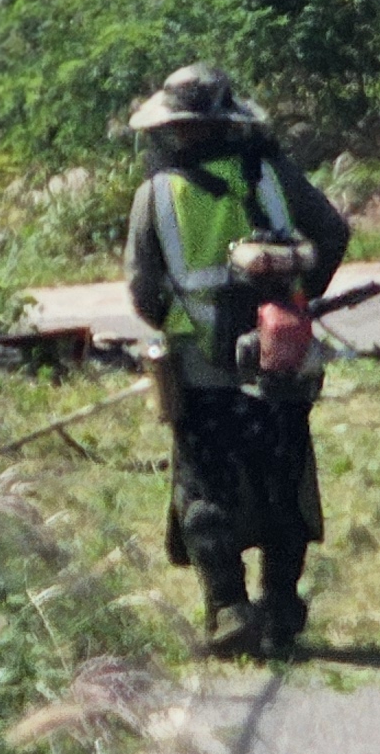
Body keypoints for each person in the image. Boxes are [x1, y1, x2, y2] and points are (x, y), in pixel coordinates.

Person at [123, 64, 351, 653]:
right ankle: (279, 609)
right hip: (282, 365)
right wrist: (300, 301)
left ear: (176, 129)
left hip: (201, 376)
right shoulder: (274, 174)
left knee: (204, 488)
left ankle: (228, 611)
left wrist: (188, 321)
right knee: (284, 481)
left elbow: (145, 294)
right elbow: (331, 232)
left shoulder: (156, 197)